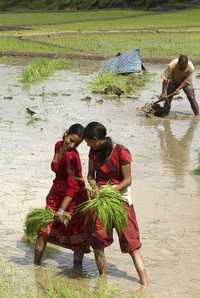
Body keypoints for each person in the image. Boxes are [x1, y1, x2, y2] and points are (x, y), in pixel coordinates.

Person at [83, 121, 148, 287]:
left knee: (131, 244)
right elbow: (90, 175)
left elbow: (128, 180)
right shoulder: (93, 152)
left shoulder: (121, 151)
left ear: (97, 139)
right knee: (98, 242)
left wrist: (111, 191)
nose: (88, 145)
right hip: (101, 201)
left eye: (89, 142)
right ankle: (102, 282)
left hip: (120, 200)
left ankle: (145, 284)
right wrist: (95, 188)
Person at [34, 123, 90, 268]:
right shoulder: (59, 144)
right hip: (58, 189)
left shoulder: (72, 156)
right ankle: (36, 267)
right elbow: (56, 168)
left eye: (76, 144)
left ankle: (77, 272)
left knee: (77, 236)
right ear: (66, 134)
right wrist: (52, 192)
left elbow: (73, 186)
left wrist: (61, 210)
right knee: (44, 230)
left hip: (74, 196)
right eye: (70, 140)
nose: (71, 145)